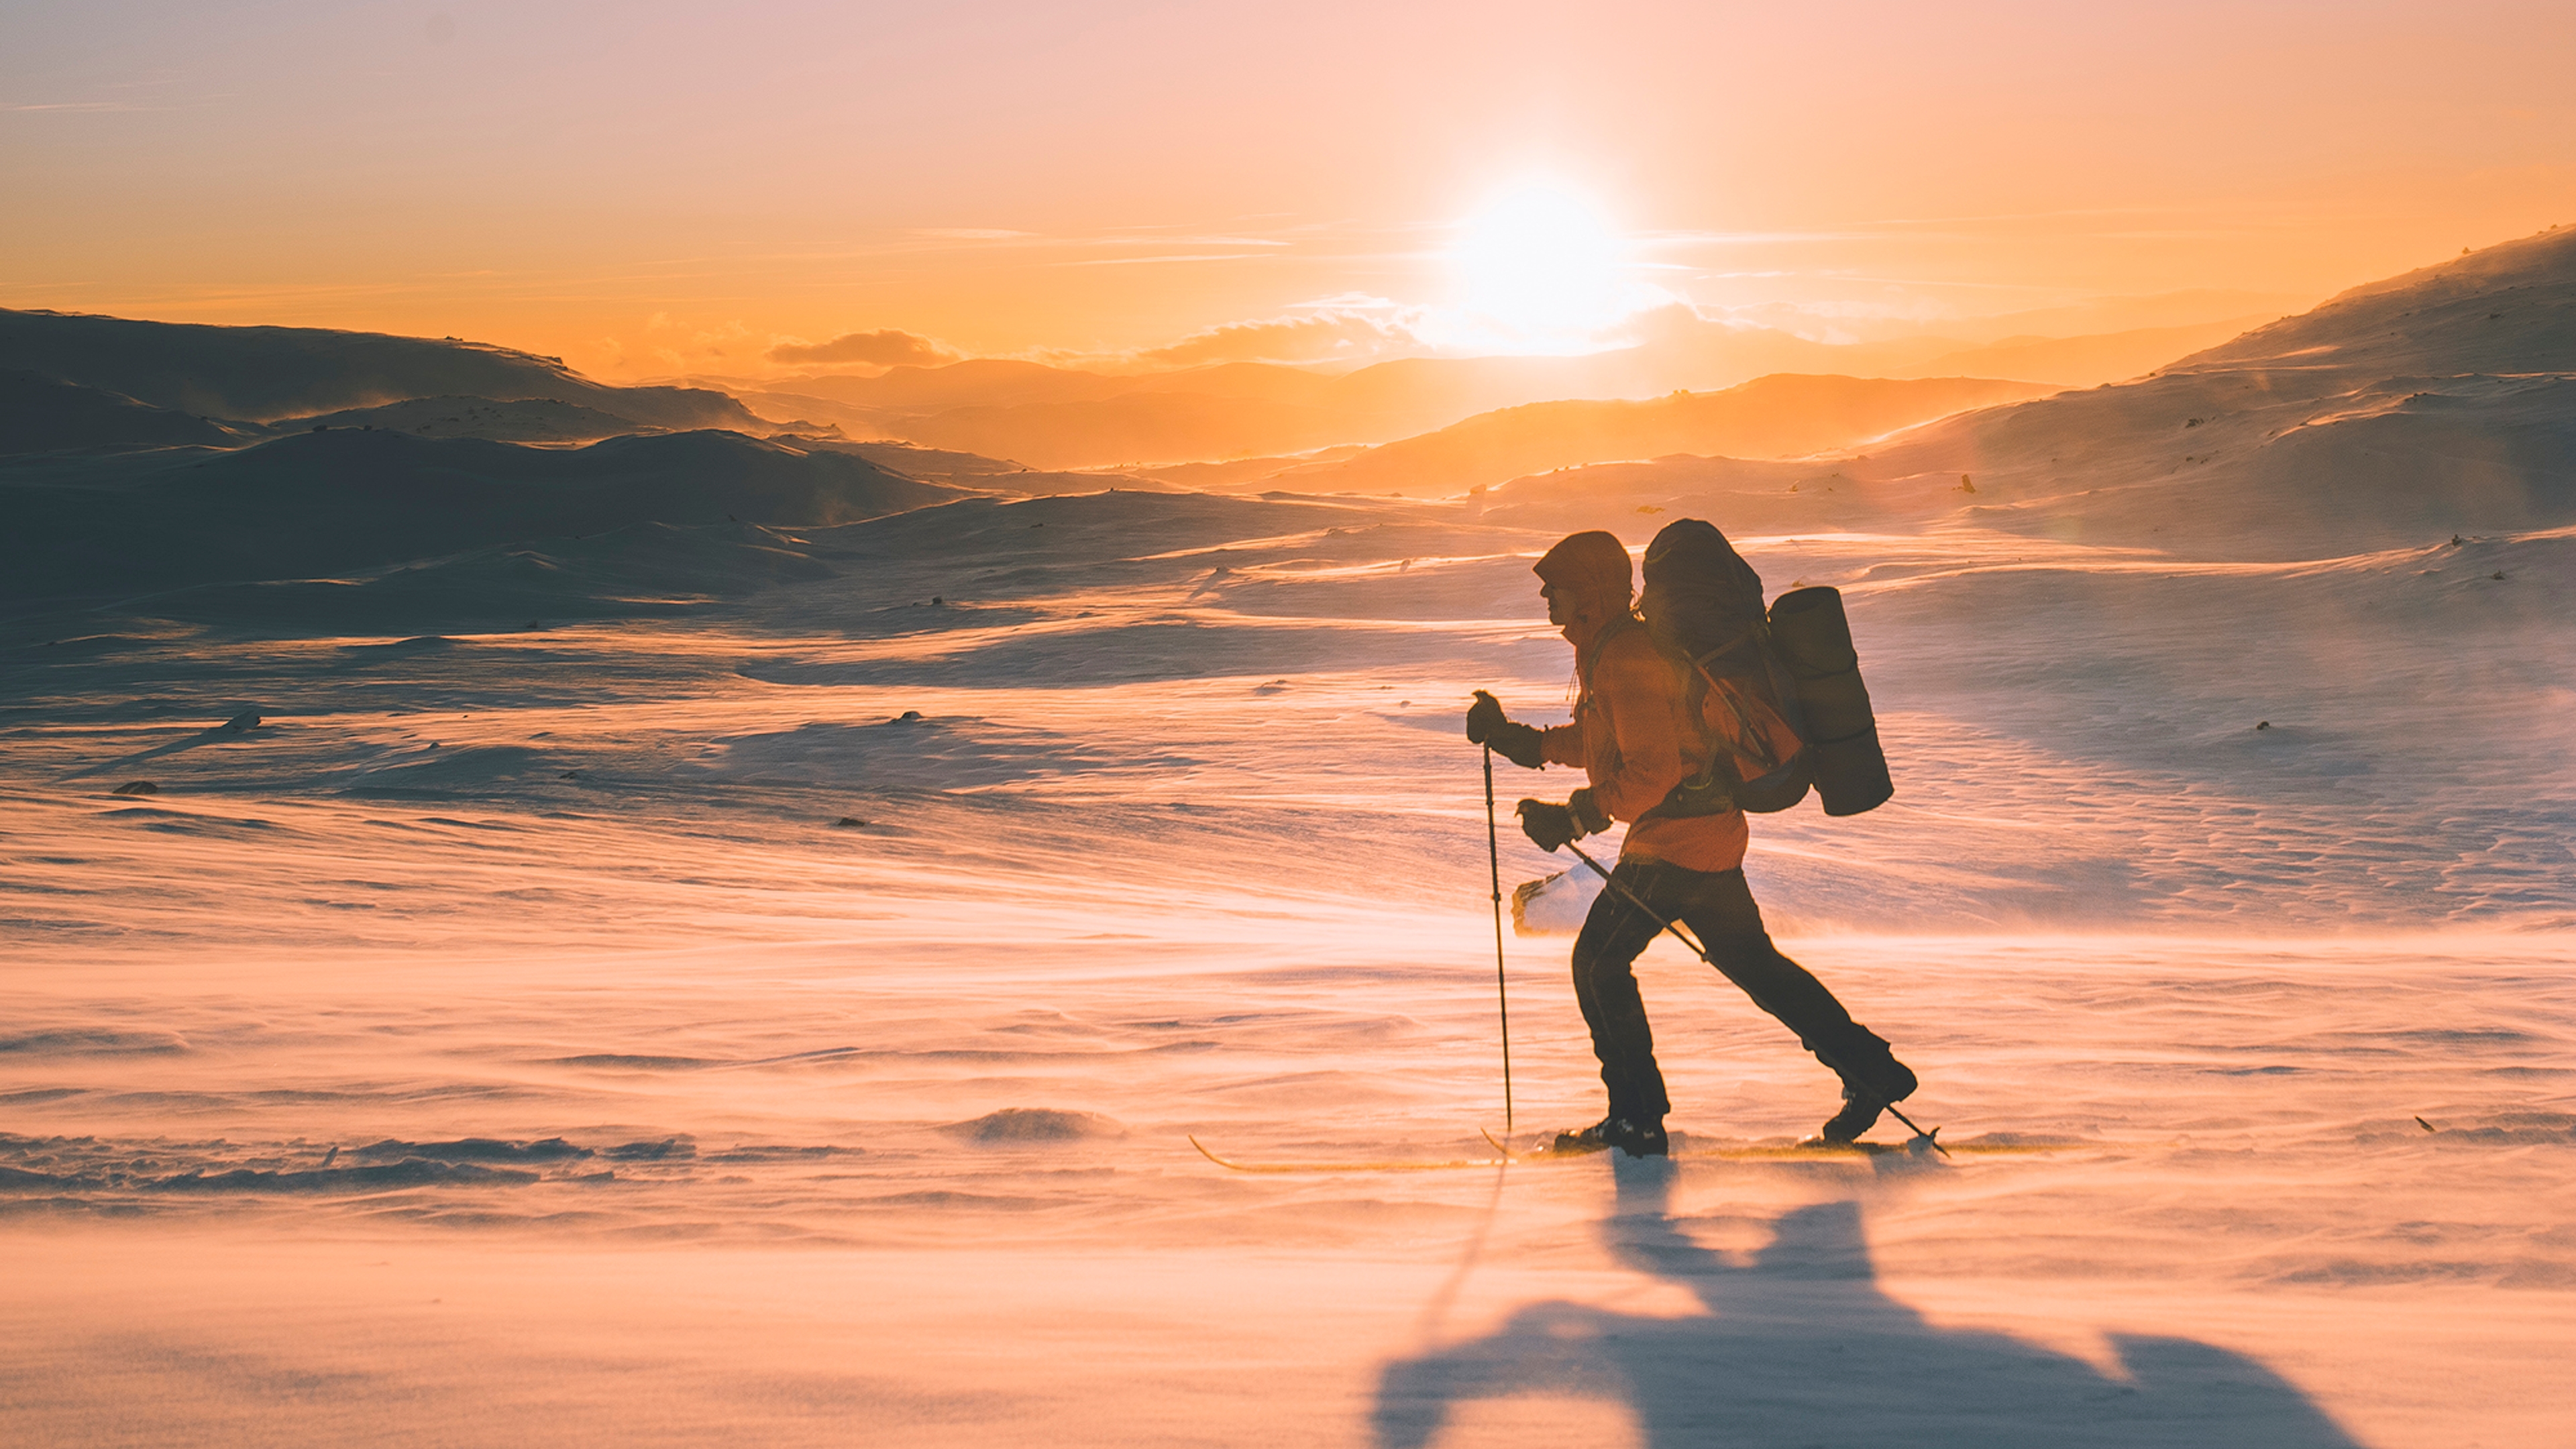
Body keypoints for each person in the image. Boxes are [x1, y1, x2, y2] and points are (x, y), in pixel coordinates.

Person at [1464, 529, 1917, 1157]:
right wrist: (1518, 740)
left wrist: (1575, 817)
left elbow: (1651, 774)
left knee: (1598, 964)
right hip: (1709, 838)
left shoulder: (1625, 657)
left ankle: (1637, 1117)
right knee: (1757, 968)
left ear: (1589, 593)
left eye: (1555, 588)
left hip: (1674, 845)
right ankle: (1872, 1069)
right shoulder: (1611, 651)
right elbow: (1608, 745)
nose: (1547, 598)